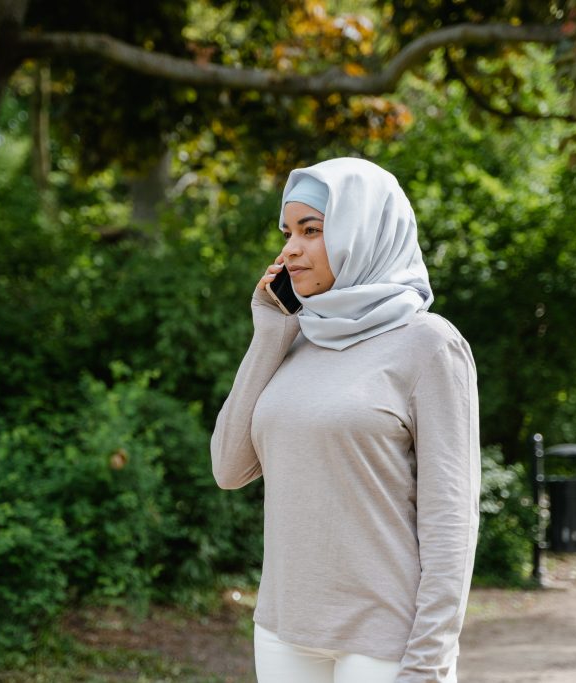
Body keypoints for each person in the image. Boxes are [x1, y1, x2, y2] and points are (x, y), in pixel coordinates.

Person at [210, 157, 480, 683]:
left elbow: (451, 521)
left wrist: (428, 662)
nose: (290, 248)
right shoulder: (295, 339)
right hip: (283, 633)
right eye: (288, 232)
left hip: (384, 642)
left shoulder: (429, 344)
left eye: (312, 230)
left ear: (364, 230)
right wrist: (269, 333)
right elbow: (228, 468)